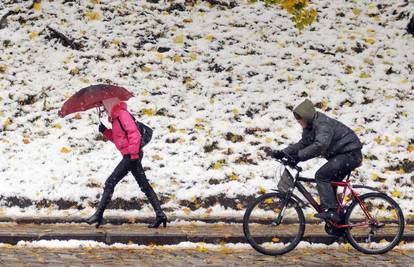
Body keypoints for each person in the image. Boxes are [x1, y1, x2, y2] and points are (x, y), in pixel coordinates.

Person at [272, 99, 363, 222]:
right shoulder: (310, 126)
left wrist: (299, 157)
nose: (298, 122)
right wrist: (284, 152)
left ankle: (331, 211)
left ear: (307, 116)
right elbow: (303, 144)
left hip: (350, 154)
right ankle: (338, 219)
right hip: (341, 155)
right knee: (329, 184)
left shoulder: (322, 125)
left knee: (321, 176)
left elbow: (320, 145)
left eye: (300, 119)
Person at [86, 97, 167, 228]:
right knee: (144, 186)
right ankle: (160, 215)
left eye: (104, 106)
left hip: (131, 155)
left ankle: (98, 215)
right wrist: (105, 131)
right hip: (131, 155)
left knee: (110, 182)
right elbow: (120, 140)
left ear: (110, 104)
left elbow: (134, 134)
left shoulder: (122, 115)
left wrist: (134, 153)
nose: (103, 109)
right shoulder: (115, 119)